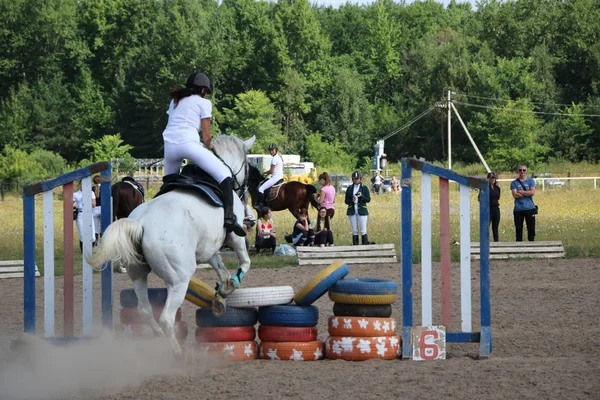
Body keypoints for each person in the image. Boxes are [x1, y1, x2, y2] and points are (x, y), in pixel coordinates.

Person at [161, 72, 245, 237]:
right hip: (189, 145)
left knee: (167, 183)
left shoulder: (175, 101)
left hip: (170, 147)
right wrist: (210, 146)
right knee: (225, 174)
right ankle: (229, 217)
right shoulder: (204, 103)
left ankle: (160, 211)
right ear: (203, 90)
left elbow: (173, 124)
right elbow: (206, 137)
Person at [253, 143, 284, 210]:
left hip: (275, 178)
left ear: (276, 150)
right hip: (280, 177)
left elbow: (271, 171)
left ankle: (260, 204)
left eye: (272, 150)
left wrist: (264, 173)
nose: (271, 151)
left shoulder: (274, 159)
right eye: (270, 150)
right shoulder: (279, 157)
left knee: (260, 189)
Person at [511, 164, 537, 241]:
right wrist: (526, 192)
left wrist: (521, 191)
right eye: (520, 170)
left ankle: (531, 245)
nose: (522, 172)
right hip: (518, 209)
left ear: (526, 171)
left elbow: (532, 192)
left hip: (530, 208)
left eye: (524, 170)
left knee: (531, 228)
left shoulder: (531, 181)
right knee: (518, 228)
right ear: (518, 171)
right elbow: (515, 195)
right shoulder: (514, 183)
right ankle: (518, 246)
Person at [345, 171, 372, 245]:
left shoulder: (364, 188)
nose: (356, 180)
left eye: (357, 179)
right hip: (352, 210)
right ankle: (355, 246)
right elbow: (346, 201)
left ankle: (364, 245)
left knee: (363, 229)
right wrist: (351, 200)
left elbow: (368, 199)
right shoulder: (350, 188)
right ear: (352, 179)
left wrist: (361, 196)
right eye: (354, 179)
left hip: (362, 210)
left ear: (360, 179)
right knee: (354, 230)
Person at [73, 180, 96, 252]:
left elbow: (94, 205)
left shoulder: (91, 193)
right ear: (80, 184)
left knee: (92, 235)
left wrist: (88, 198)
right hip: (81, 213)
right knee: (82, 235)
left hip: (89, 213)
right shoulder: (76, 194)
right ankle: (83, 252)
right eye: (82, 184)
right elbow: (71, 204)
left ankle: (91, 250)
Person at [478, 172, 501, 242]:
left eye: (493, 178)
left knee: (495, 227)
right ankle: (485, 241)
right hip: (488, 208)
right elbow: (479, 198)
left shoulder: (497, 188)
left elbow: (498, 197)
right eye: (491, 178)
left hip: (496, 208)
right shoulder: (484, 188)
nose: (492, 180)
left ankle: (496, 242)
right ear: (488, 179)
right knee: (486, 227)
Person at [92, 175, 102, 241]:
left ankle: (96, 242)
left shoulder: (92, 188)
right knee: (102, 227)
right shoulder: (104, 188)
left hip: (94, 209)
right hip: (102, 209)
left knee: (95, 228)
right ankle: (102, 241)